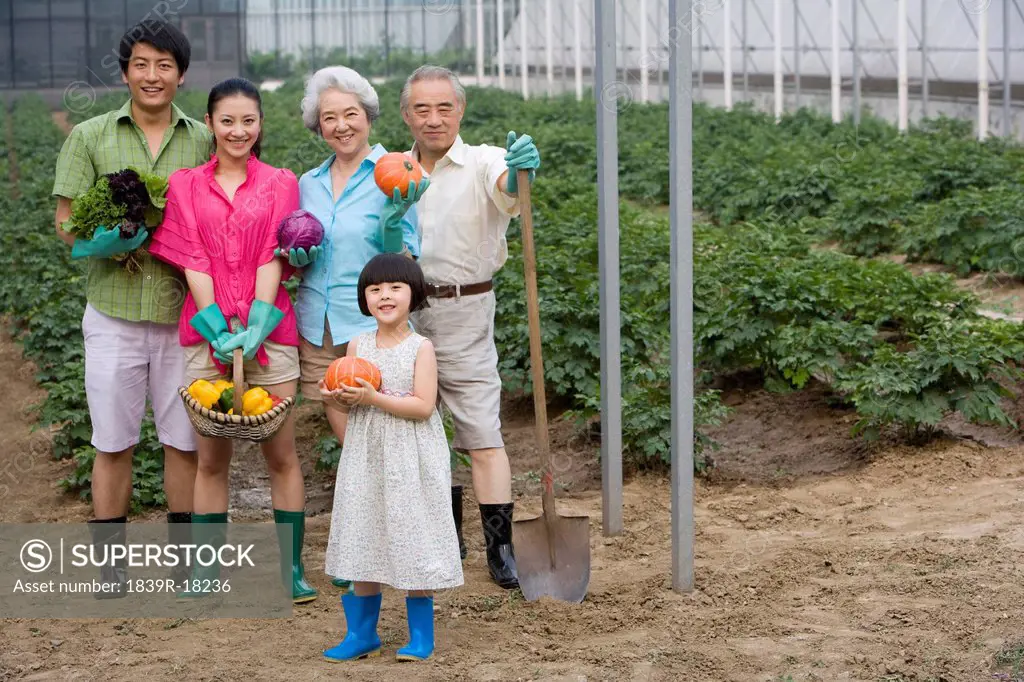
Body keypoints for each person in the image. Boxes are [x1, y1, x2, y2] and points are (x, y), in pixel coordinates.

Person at [52, 19, 210, 596]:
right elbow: (67, 224)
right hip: (114, 315)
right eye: (141, 64)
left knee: (183, 442)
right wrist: (102, 242)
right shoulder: (91, 135)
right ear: (125, 72)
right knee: (112, 441)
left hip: (182, 321)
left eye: (164, 66)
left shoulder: (202, 139)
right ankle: (110, 569)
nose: (152, 75)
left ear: (181, 75)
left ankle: (187, 566)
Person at [148, 78, 317, 604]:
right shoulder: (185, 185)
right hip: (206, 335)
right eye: (227, 121)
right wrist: (218, 327)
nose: (238, 131)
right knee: (211, 458)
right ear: (210, 124)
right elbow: (193, 256)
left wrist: (260, 322)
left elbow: (274, 250)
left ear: (260, 123)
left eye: (248, 120)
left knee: (282, 454)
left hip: (273, 331)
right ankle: (206, 568)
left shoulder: (281, 182)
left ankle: (289, 568)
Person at [281, 65, 425, 589]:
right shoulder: (307, 183)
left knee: (375, 435)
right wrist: (295, 254)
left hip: (370, 326)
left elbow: (408, 257)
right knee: (351, 437)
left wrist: (393, 223)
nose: (341, 125)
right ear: (317, 128)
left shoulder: (396, 170)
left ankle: (389, 544)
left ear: (368, 117)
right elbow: (300, 251)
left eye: (351, 114)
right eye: (329, 118)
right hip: (316, 322)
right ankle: (362, 548)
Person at [399, 65, 541, 589]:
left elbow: (508, 189)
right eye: (422, 109)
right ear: (406, 114)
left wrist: (521, 170)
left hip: (464, 311)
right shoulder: (391, 168)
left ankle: (499, 547)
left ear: (460, 110)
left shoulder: (487, 160)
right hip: (400, 313)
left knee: (481, 432)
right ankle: (443, 536)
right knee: (417, 433)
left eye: (444, 107)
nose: (433, 119)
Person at [320, 253, 463, 663]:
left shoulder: (421, 347)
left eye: (395, 288)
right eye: (374, 289)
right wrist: (336, 397)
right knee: (364, 533)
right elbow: (351, 402)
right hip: (368, 455)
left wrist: (372, 397)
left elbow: (422, 406)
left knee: (413, 533)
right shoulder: (357, 345)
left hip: (411, 455)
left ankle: (421, 637)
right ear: (364, 299)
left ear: (413, 295)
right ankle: (361, 634)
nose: (384, 295)